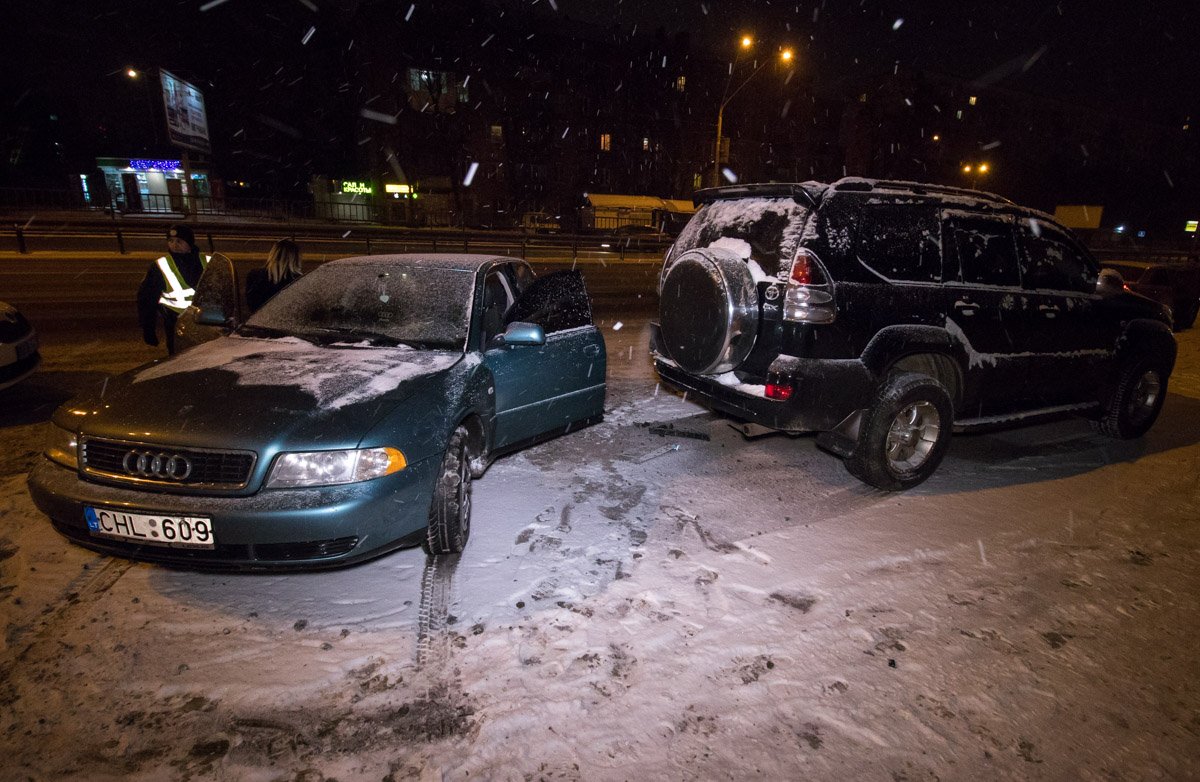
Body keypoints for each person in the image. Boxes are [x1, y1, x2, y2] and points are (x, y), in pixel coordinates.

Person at [138, 224, 210, 354]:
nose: (174, 245)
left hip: (207, 322)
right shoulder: (160, 266)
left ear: (189, 243)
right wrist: (148, 329)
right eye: (170, 241)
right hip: (176, 324)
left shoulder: (208, 261)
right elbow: (147, 300)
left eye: (179, 241)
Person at [245, 238, 303, 313]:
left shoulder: (255, 276)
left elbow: (252, 305)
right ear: (295, 259)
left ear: (272, 255)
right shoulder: (298, 280)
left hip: (260, 319)